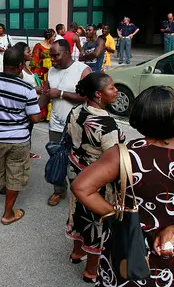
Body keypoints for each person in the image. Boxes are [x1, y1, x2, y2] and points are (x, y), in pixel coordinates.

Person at [71, 86, 174, 287]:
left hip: (127, 246)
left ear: (138, 117)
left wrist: (117, 215)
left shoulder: (124, 155)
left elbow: (81, 187)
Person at [61, 72, 124, 282]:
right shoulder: (107, 126)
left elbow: (69, 137)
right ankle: (91, 271)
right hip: (97, 181)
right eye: (112, 88)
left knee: (78, 211)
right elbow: (112, 161)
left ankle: (77, 252)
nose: (116, 91)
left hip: (76, 171)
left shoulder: (77, 110)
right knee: (96, 222)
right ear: (98, 94)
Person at [0, 47, 41, 224]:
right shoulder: (27, 88)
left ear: (4, 64)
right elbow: (35, 117)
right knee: (16, 174)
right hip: (19, 140)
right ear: (20, 66)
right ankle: (8, 213)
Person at [38, 38, 90, 206]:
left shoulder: (83, 70)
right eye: (50, 56)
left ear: (67, 53)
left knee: (79, 160)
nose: (52, 60)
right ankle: (59, 191)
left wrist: (61, 94)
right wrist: (33, 112)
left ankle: (81, 192)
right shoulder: (52, 71)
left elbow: (87, 97)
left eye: (55, 56)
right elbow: (46, 94)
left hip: (77, 126)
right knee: (56, 159)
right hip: (55, 125)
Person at [31, 29, 55, 119]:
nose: (54, 38)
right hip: (41, 73)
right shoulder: (38, 46)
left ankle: (48, 115)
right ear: (49, 37)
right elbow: (34, 60)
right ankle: (41, 114)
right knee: (42, 92)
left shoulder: (53, 46)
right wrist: (35, 75)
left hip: (51, 72)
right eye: (54, 36)